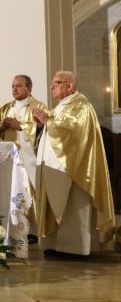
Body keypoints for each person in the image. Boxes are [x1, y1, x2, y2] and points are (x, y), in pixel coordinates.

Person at [33, 71, 115, 256]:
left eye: (57, 82)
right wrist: (41, 125)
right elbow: (54, 127)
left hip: (74, 169)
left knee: (73, 206)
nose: (52, 86)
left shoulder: (81, 106)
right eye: (52, 82)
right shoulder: (62, 106)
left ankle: (74, 248)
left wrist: (49, 122)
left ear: (69, 86)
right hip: (55, 168)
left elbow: (75, 132)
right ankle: (54, 245)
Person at [0, 74, 49, 245]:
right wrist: (2, 127)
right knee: (10, 190)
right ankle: (10, 227)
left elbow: (45, 131)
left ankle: (31, 230)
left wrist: (20, 126)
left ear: (29, 88)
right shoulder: (5, 108)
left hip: (29, 160)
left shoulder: (39, 106)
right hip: (9, 160)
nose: (15, 89)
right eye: (13, 86)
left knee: (29, 192)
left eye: (19, 86)